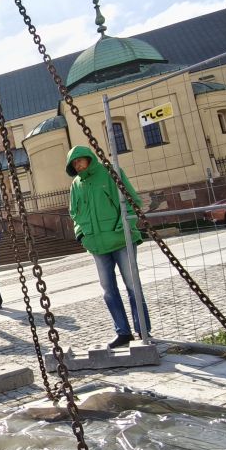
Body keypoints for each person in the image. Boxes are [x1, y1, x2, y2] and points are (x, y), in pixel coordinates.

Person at [65, 145, 150, 348]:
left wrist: (124, 226)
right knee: (108, 290)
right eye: (74, 163)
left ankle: (143, 330)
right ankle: (123, 332)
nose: (77, 165)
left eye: (79, 160)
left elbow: (131, 200)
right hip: (96, 244)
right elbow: (74, 213)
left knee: (132, 285)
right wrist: (82, 235)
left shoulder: (110, 172)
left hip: (121, 239)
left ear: (89, 158)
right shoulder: (76, 185)